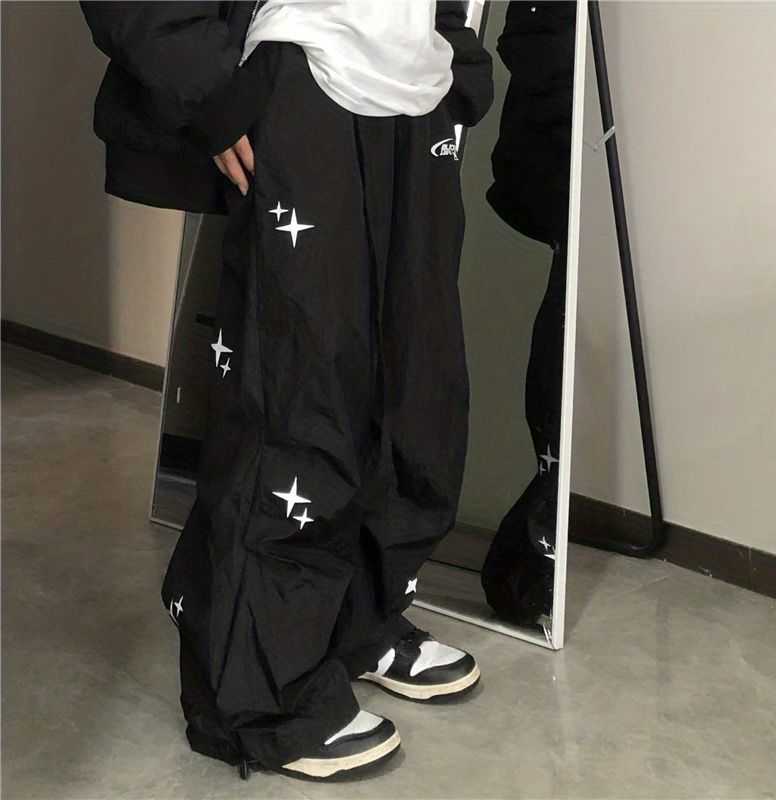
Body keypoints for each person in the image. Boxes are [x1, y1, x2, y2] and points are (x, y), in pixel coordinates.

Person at [80, 0, 493, 781]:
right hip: (299, 72)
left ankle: (357, 624)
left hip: (413, 81)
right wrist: (210, 89)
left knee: (414, 385)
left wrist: (453, 48)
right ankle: (258, 697)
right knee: (299, 392)